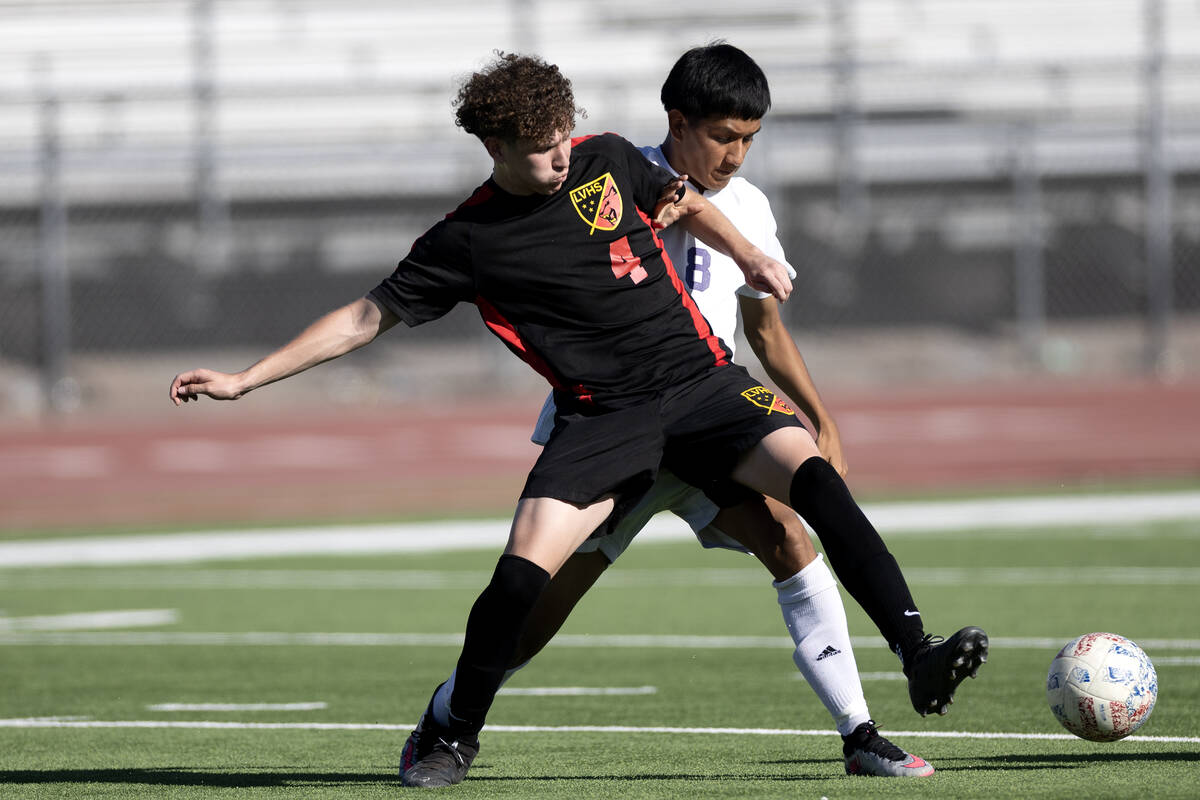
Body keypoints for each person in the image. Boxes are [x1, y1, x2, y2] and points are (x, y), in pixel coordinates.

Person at [169, 52, 987, 789]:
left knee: (810, 487)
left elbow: (688, 201)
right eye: (541, 147)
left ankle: (915, 660)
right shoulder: (466, 239)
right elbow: (361, 318)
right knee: (520, 586)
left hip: (703, 385)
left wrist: (750, 256)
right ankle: (453, 729)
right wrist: (246, 379)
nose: (561, 156)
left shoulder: (606, 158)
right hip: (604, 420)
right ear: (493, 148)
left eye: (564, 136)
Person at [408, 43, 957, 780]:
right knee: (542, 605)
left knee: (790, 539)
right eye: (724, 137)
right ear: (679, 122)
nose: (735, 156)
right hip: (614, 424)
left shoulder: (751, 206)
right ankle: (450, 715)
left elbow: (763, 328)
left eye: (749, 140)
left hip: (709, 415)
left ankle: (861, 734)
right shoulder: (607, 171)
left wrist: (819, 417)